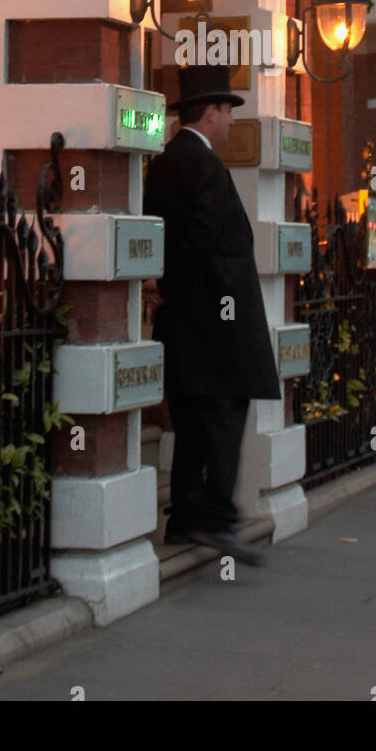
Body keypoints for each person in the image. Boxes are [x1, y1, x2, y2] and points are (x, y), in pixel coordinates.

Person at [142, 62, 280, 566]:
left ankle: (186, 517)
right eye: (226, 110)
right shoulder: (199, 163)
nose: (232, 121)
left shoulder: (170, 159)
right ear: (209, 113)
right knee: (222, 412)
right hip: (212, 322)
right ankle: (215, 517)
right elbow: (197, 242)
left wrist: (159, 283)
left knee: (197, 418)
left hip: (192, 321)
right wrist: (166, 282)